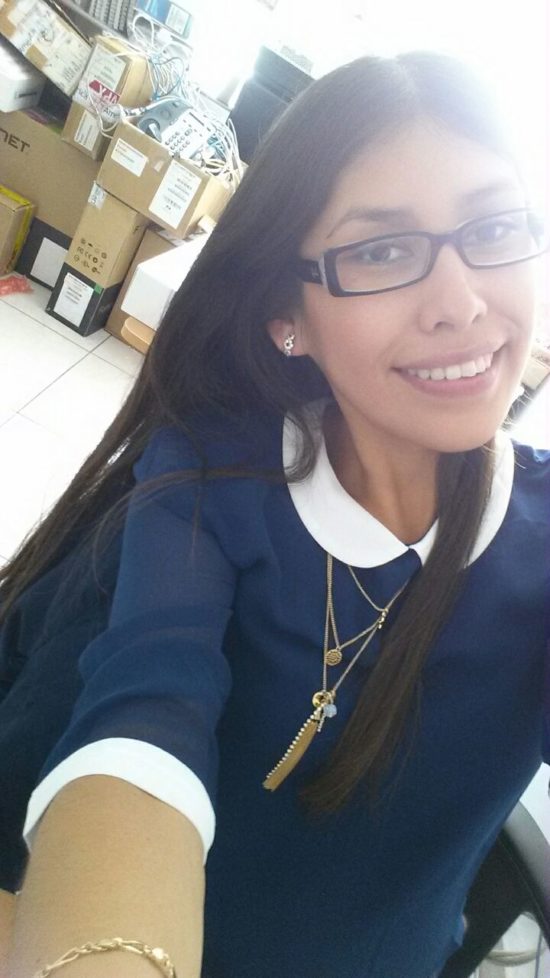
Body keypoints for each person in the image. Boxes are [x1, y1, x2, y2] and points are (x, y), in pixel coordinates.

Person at [0, 50, 549, 978]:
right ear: (285, 313)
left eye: (495, 228)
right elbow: (140, 728)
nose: (462, 305)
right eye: (381, 251)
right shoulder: (206, 487)